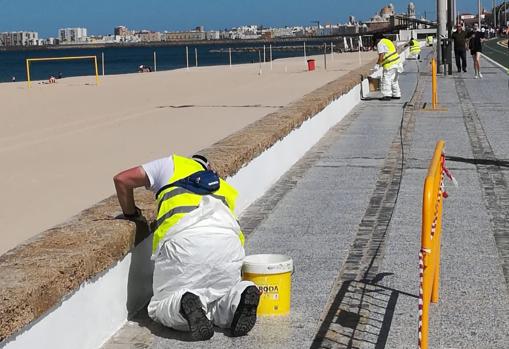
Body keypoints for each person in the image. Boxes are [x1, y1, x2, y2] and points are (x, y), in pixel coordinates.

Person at [113, 154, 260, 340]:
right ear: (207, 168)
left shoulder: (170, 164)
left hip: (184, 244)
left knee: (160, 306)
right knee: (218, 296)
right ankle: (239, 296)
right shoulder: (221, 186)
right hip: (228, 245)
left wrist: (131, 213)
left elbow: (122, 179)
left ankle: (181, 304)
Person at [374, 33, 403, 101]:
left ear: (377, 39)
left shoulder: (380, 43)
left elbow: (381, 55)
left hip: (390, 64)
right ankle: (396, 95)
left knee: (386, 79)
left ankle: (387, 95)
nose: (375, 42)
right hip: (397, 62)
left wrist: (378, 64)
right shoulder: (388, 41)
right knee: (394, 80)